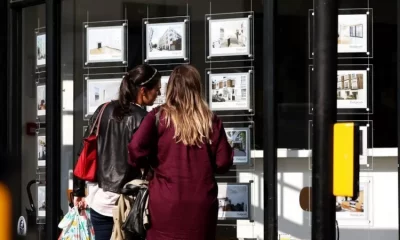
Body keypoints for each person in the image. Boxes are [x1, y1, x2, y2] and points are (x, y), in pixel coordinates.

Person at [128, 64, 234, 240]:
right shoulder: (210, 121)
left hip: (164, 202)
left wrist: (149, 168)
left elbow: (135, 149)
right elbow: (223, 163)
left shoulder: (158, 116)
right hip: (201, 204)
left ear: (172, 88)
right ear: (197, 88)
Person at [73, 64, 161, 240]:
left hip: (100, 201)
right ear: (143, 91)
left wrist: (78, 191)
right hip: (129, 204)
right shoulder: (144, 119)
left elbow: (84, 150)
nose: (158, 94)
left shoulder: (103, 110)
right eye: (157, 90)